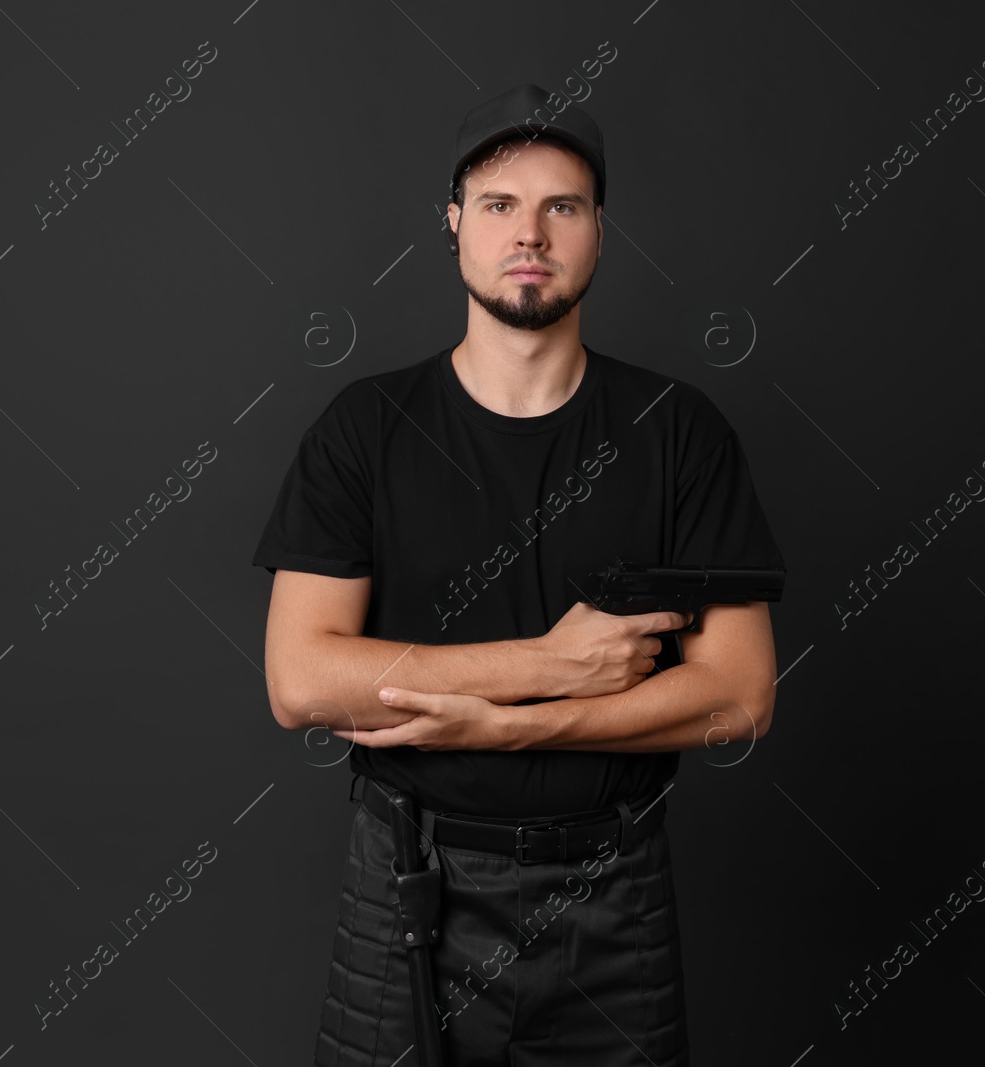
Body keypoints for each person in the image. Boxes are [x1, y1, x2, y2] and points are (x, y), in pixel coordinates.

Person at [253, 83, 784, 1067]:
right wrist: (542, 660)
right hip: (412, 883)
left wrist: (516, 721)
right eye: (498, 203)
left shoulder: (679, 432)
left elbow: (739, 694)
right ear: (453, 223)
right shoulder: (364, 430)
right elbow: (301, 680)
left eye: (561, 206)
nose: (528, 232)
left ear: (597, 232)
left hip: (612, 889)